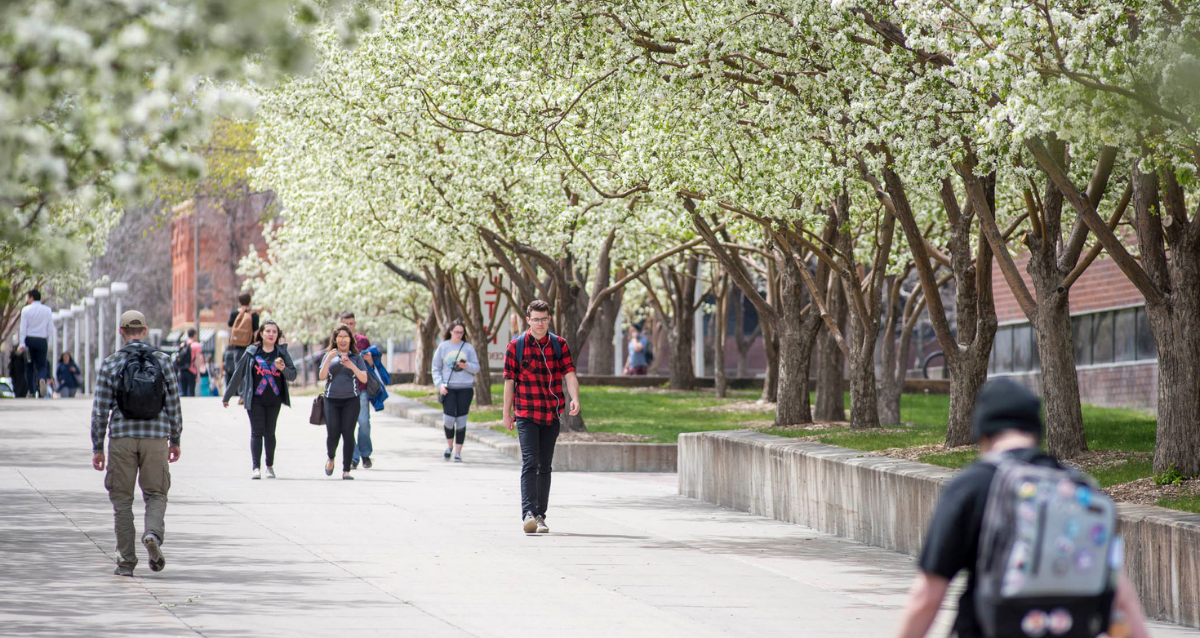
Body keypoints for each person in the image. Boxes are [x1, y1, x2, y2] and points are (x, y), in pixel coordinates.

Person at [893, 379, 1151, 638]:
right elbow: (1122, 598)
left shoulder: (972, 487)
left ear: (982, 434)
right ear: (1036, 433)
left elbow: (926, 596)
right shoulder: (1082, 489)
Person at [90, 310, 182, 577]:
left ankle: (126, 562)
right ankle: (152, 533)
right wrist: (175, 439)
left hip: (121, 438)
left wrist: (98, 446)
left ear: (121, 331)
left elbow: (99, 410)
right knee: (156, 494)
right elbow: (174, 404)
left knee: (122, 500)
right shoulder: (163, 361)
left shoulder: (111, 364)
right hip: (156, 438)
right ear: (144, 331)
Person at [502, 300, 581, 534]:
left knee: (545, 466)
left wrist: (575, 397)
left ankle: (540, 516)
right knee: (530, 462)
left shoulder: (559, 345)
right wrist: (506, 413)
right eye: (535, 319)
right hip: (526, 412)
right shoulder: (515, 347)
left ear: (549, 319)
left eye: (543, 319)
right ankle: (527, 513)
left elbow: (569, 374)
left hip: (551, 413)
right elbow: (509, 383)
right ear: (528, 320)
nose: (539, 323)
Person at [222, 320, 297, 479]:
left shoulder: (281, 353)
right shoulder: (252, 352)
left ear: (278, 335)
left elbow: (293, 375)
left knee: (270, 433)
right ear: (261, 334)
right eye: (268, 331)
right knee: (257, 431)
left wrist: (283, 368)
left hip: (274, 400)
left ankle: (269, 466)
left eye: (274, 332)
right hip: (255, 399)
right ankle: (256, 467)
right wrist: (227, 395)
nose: (271, 334)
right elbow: (238, 374)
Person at [319, 324, 368, 480]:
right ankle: (331, 457)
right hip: (331, 400)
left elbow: (364, 378)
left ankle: (346, 470)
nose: (342, 340)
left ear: (350, 339)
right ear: (335, 339)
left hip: (351, 400)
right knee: (333, 433)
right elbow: (322, 376)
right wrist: (328, 360)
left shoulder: (356, 357)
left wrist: (351, 365)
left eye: (345, 337)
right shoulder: (329, 355)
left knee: (348, 433)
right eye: (339, 337)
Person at [432, 320, 480, 462]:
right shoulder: (443, 347)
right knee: (448, 419)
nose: (459, 335)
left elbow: (476, 367)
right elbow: (436, 368)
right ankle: (449, 446)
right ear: (450, 331)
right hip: (448, 388)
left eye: (461, 332)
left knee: (461, 420)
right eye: (456, 332)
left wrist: (466, 366)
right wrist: (440, 385)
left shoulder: (468, 348)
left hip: (465, 388)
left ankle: (458, 451)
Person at [340, 311, 375, 470]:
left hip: (361, 388)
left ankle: (365, 454)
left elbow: (372, 366)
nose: (349, 326)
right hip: (343, 389)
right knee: (348, 425)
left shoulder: (362, 341)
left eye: (351, 323)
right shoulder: (337, 342)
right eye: (346, 323)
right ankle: (353, 458)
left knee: (364, 423)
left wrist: (370, 360)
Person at [17, 288, 55, 398]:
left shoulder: (26, 310)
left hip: (29, 340)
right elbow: (51, 328)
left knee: (29, 365)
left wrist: (22, 343)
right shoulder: (47, 310)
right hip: (42, 340)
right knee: (42, 364)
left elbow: (23, 328)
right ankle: (41, 378)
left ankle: (32, 391)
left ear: (32, 298)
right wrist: (47, 338)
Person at [225, 292, 259, 386]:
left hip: (237, 345)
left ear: (239, 302)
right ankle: (249, 390)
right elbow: (256, 331)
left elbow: (229, 325)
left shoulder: (235, 313)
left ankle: (241, 394)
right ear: (250, 302)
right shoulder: (254, 315)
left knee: (238, 370)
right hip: (249, 345)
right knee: (249, 369)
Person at [177, 329, 205, 397]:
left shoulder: (183, 345)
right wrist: (198, 373)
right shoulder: (196, 345)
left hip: (182, 370)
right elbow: (197, 360)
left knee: (183, 393)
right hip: (191, 370)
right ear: (194, 335)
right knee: (191, 392)